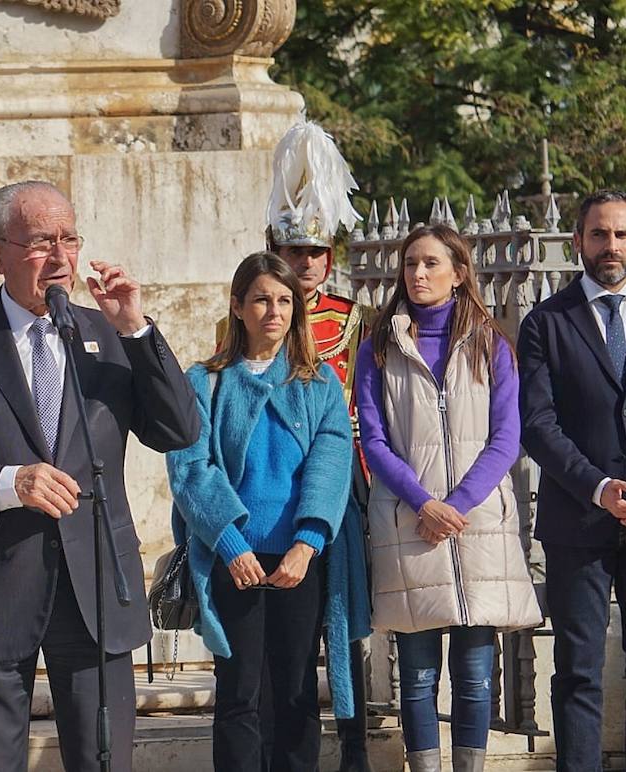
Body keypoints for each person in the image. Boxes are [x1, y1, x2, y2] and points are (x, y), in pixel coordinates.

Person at [0, 180, 199, 772]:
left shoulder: (110, 336)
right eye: (39, 243)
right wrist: (9, 484)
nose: (59, 258)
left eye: (69, 239)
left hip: (96, 590)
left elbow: (179, 430)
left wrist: (136, 329)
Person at [168, 252, 366, 772]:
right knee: (239, 691)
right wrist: (230, 544)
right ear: (237, 306)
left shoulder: (319, 383)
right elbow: (192, 468)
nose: (273, 311)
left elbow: (330, 463)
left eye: (284, 301)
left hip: (298, 561)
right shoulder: (205, 381)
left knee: (298, 688)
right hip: (234, 558)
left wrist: (308, 543)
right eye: (260, 299)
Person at [355, 224, 542, 772]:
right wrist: (422, 503)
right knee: (415, 675)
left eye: (431, 263)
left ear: (459, 273)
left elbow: (507, 436)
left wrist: (457, 503)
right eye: (411, 263)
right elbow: (375, 438)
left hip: (476, 524)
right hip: (410, 524)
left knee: (476, 673)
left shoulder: (492, 345)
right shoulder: (380, 350)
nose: (418, 274)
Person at [519, 190, 626, 771]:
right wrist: (596, 486)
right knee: (577, 671)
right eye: (598, 234)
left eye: (621, 234)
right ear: (578, 243)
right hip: (579, 521)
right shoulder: (546, 322)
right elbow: (537, 424)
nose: (609, 246)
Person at [261, 120, 376, 772]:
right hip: (276, 488)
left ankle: (355, 746)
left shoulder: (352, 317)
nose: (305, 264)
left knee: (347, 621)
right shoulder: (255, 316)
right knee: (291, 633)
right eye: (293, 251)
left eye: (315, 253)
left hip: (343, 486)